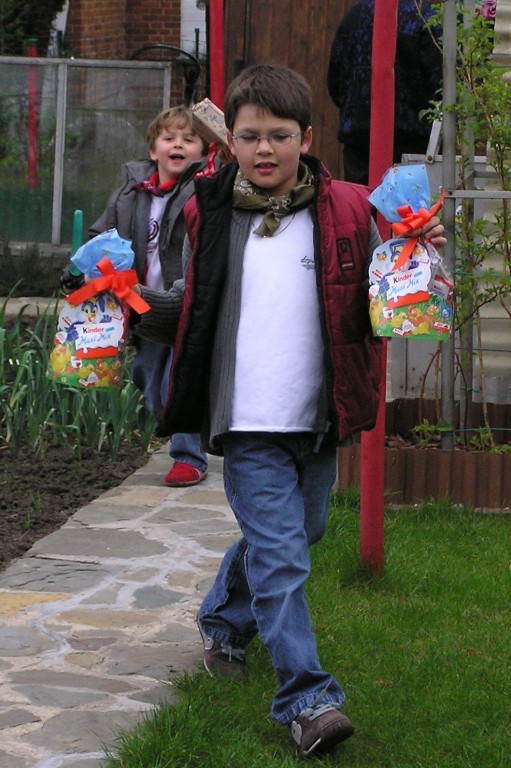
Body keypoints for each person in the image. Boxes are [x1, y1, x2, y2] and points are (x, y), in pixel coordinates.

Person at [133, 64, 446, 757]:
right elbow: (191, 303)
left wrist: (415, 259)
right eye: (249, 137)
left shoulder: (348, 210)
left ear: (305, 138)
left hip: (317, 415)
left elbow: (381, 294)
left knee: (302, 533)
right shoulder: (208, 210)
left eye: (279, 136)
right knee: (281, 558)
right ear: (231, 142)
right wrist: (123, 303)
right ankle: (307, 700)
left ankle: (223, 620)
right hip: (246, 422)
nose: (264, 149)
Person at [88, 106, 211, 487]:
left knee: (176, 380)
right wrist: (84, 268)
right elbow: (103, 236)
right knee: (147, 379)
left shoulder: (203, 188)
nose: (179, 145)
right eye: (169, 138)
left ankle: (189, 456)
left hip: (185, 302)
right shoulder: (131, 192)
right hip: (143, 305)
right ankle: (183, 424)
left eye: (189, 139)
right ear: (153, 150)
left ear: (204, 151)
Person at [327, 0, 443, 184]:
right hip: (414, 140)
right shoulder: (426, 18)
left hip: (360, 139)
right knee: (410, 201)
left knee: (361, 200)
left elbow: (335, 79)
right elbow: (441, 84)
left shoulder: (353, 17)